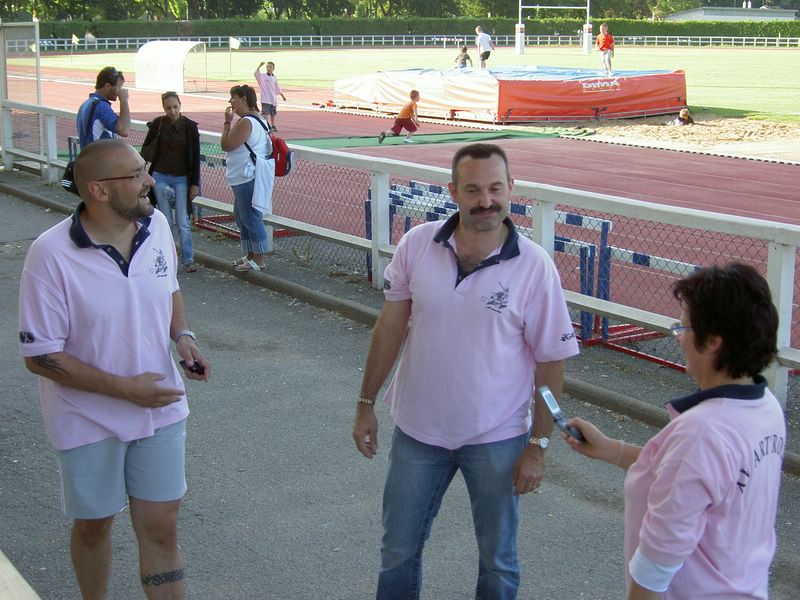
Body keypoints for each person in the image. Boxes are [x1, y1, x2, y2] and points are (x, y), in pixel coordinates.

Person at [353, 143, 580, 599]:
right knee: (398, 552)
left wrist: (539, 445)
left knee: (498, 563)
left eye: (496, 188)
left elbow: (551, 362)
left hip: (496, 438)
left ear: (511, 188)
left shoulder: (535, 267)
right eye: (473, 190)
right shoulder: (417, 244)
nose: (486, 201)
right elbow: (390, 327)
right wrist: (365, 403)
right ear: (453, 191)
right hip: (418, 432)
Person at [18, 138, 210, 599]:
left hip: (160, 408)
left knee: (162, 528)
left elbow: (168, 285)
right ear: (99, 190)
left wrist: (183, 336)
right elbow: (40, 355)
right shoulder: (50, 254)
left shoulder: (156, 224)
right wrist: (126, 389)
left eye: (145, 169)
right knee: (94, 526)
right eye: (137, 175)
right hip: (86, 418)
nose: (150, 181)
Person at [564, 263, 785, 600]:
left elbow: (655, 568)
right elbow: (695, 473)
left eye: (683, 327)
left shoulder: (701, 432)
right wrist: (611, 448)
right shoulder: (765, 407)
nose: (679, 337)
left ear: (713, 342)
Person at [141, 91, 202, 273]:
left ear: (180, 105)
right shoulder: (158, 124)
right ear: (163, 108)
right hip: (160, 175)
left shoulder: (190, 127)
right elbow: (146, 148)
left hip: (182, 178)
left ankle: (188, 259)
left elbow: (195, 157)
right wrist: (141, 174)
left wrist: (194, 183)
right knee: (165, 220)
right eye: (168, 108)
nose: (172, 111)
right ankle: (167, 258)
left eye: (175, 107)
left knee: (182, 220)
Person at [222, 84, 275, 272]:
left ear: (243, 98)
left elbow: (226, 144)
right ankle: (251, 255)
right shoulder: (260, 119)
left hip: (246, 176)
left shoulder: (246, 122)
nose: (230, 101)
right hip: (249, 175)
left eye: (233, 97)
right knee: (241, 216)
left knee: (250, 217)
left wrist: (227, 122)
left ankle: (259, 259)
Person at [76, 66, 131, 148]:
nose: (121, 90)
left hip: (89, 153)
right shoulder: (100, 106)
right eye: (119, 87)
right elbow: (124, 130)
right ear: (107, 86)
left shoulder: (87, 103)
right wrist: (124, 100)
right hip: (99, 155)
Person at [254, 61, 287, 132]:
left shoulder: (274, 78)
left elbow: (277, 87)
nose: (268, 68)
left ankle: (272, 125)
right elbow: (256, 73)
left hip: (273, 99)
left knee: (273, 114)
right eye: (267, 67)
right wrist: (260, 65)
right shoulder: (262, 76)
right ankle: (265, 126)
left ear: (273, 68)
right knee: (265, 113)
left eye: (270, 67)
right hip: (265, 99)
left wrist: (282, 96)